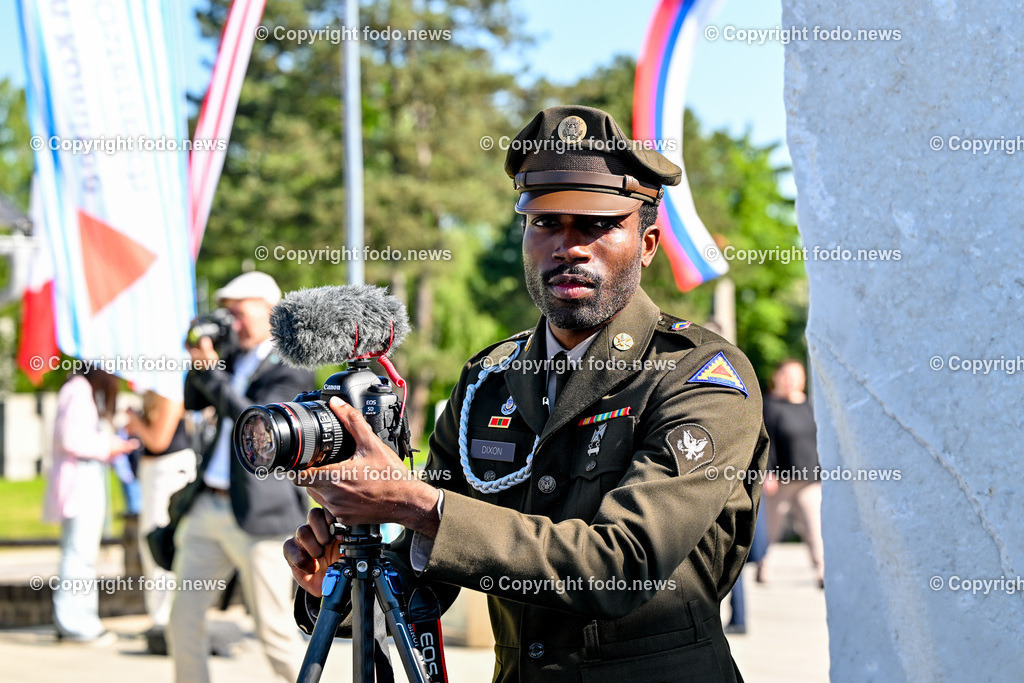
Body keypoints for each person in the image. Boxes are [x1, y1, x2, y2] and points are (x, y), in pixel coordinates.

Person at [284, 105, 769, 681]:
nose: (569, 247)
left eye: (596, 225)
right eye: (546, 223)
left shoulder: (698, 377)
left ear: (647, 244)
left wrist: (412, 501)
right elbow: (432, 571)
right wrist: (346, 579)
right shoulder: (488, 380)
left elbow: (621, 565)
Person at [168, 271, 312, 682]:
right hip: (207, 505)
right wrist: (201, 362)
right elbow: (194, 401)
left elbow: (260, 425)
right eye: (227, 314)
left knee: (274, 632)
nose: (232, 322)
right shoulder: (233, 356)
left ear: (270, 311)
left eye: (240, 313)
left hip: (260, 517)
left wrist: (215, 374)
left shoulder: (292, 365)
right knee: (183, 620)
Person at [44, 368, 139, 644]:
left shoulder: (85, 393)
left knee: (84, 555)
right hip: (79, 484)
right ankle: (73, 622)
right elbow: (70, 439)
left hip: (88, 481)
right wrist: (107, 446)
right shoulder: (76, 391)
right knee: (77, 554)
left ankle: (81, 618)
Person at [125, 390, 197, 654]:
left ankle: (165, 618)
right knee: (150, 546)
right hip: (153, 474)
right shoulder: (151, 396)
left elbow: (158, 440)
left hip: (168, 473)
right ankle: (159, 617)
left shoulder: (170, 394)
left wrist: (136, 422)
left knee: (160, 545)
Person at [760, 359, 824, 588]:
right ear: (776, 377)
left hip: (809, 478)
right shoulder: (769, 406)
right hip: (781, 479)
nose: (792, 381)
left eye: (797, 376)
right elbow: (767, 443)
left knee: (814, 528)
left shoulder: (810, 406)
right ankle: (763, 566)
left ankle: (821, 572)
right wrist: (768, 473)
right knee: (771, 530)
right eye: (787, 375)